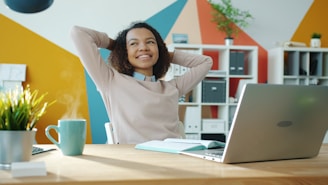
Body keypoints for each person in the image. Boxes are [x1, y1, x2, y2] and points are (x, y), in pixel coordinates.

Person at [70, 22, 213, 144]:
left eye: (150, 42)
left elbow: (206, 62)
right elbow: (78, 33)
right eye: (133, 43)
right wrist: (116, 45)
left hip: (173, 158)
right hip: (135, 160)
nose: (143, 47)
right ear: (124, 51)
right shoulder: (110, 81)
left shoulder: (172, 88)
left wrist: (163, 53)